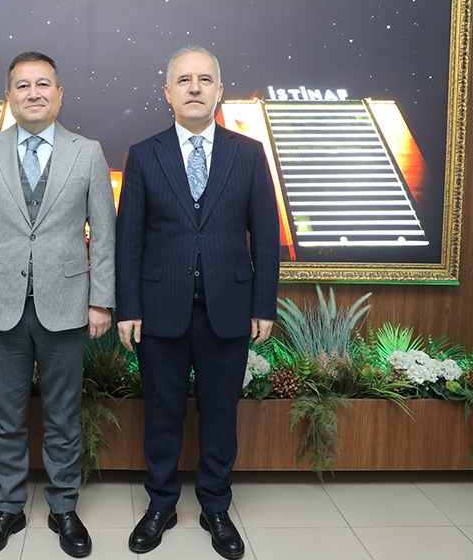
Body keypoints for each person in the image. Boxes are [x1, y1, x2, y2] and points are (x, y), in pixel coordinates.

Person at [115, 45, 280, 559]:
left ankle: (215, 506)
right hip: (159, 309)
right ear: (168, 93)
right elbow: (128, 239)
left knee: (220, 415)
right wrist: (128, 308)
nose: (194, 87)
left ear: (219, 91)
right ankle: (161, 504)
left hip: (228, 309)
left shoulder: (248, 153)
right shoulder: (144, 154)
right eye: (183, 80)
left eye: (204, 79)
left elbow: (266, 237)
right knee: (162, 414)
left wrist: (264, 305)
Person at [0, 51, 116, 559]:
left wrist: (101, 301)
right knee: (5, 415)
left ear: (59, 94)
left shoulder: (87, 152)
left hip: (66, 304)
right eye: (22, 86)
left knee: (64, 415)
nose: (33, 93)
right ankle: (8, 507)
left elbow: (103, 234)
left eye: (43, 84)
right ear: (9, 97)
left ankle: (64, 507)